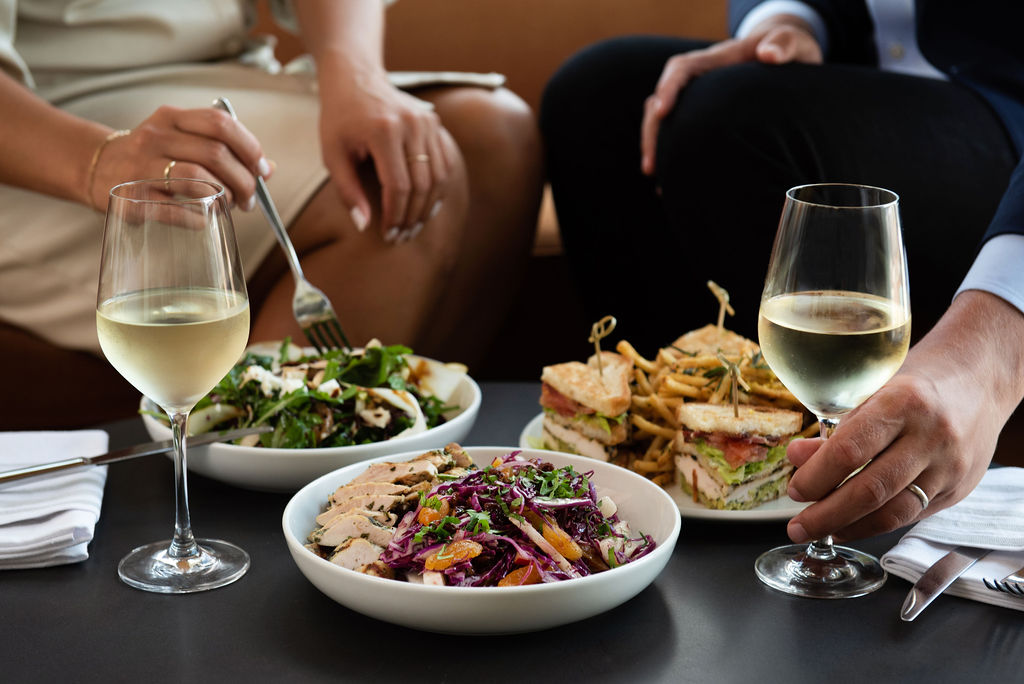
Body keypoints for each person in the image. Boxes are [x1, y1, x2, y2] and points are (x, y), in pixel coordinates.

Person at [540, 1, 1024, 544]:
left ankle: (802, 482)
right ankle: (654, 490)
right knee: (596, 94)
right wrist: (792, 18)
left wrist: (994, 352)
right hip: (855, 72)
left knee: (728, 117)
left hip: (1009, 121)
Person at [0, 0, 543, 373]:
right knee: (375, 191)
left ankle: (408, 471)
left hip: (226, 73)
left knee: (494, 137)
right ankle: (260, 503)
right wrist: (97, 161)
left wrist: (355, 73)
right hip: (44, 125)